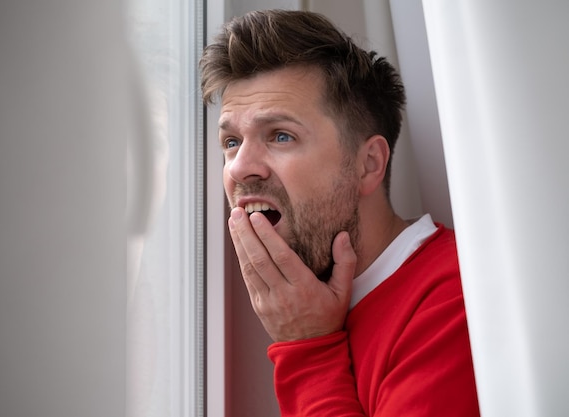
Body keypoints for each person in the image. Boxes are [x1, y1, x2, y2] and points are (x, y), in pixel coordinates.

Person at [199, 9, 479, 417]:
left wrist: (306, 350)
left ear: (368, 164)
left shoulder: (455, 300)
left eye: (280, 135)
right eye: (231, 141)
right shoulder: (310, 306)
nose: (239, 167)